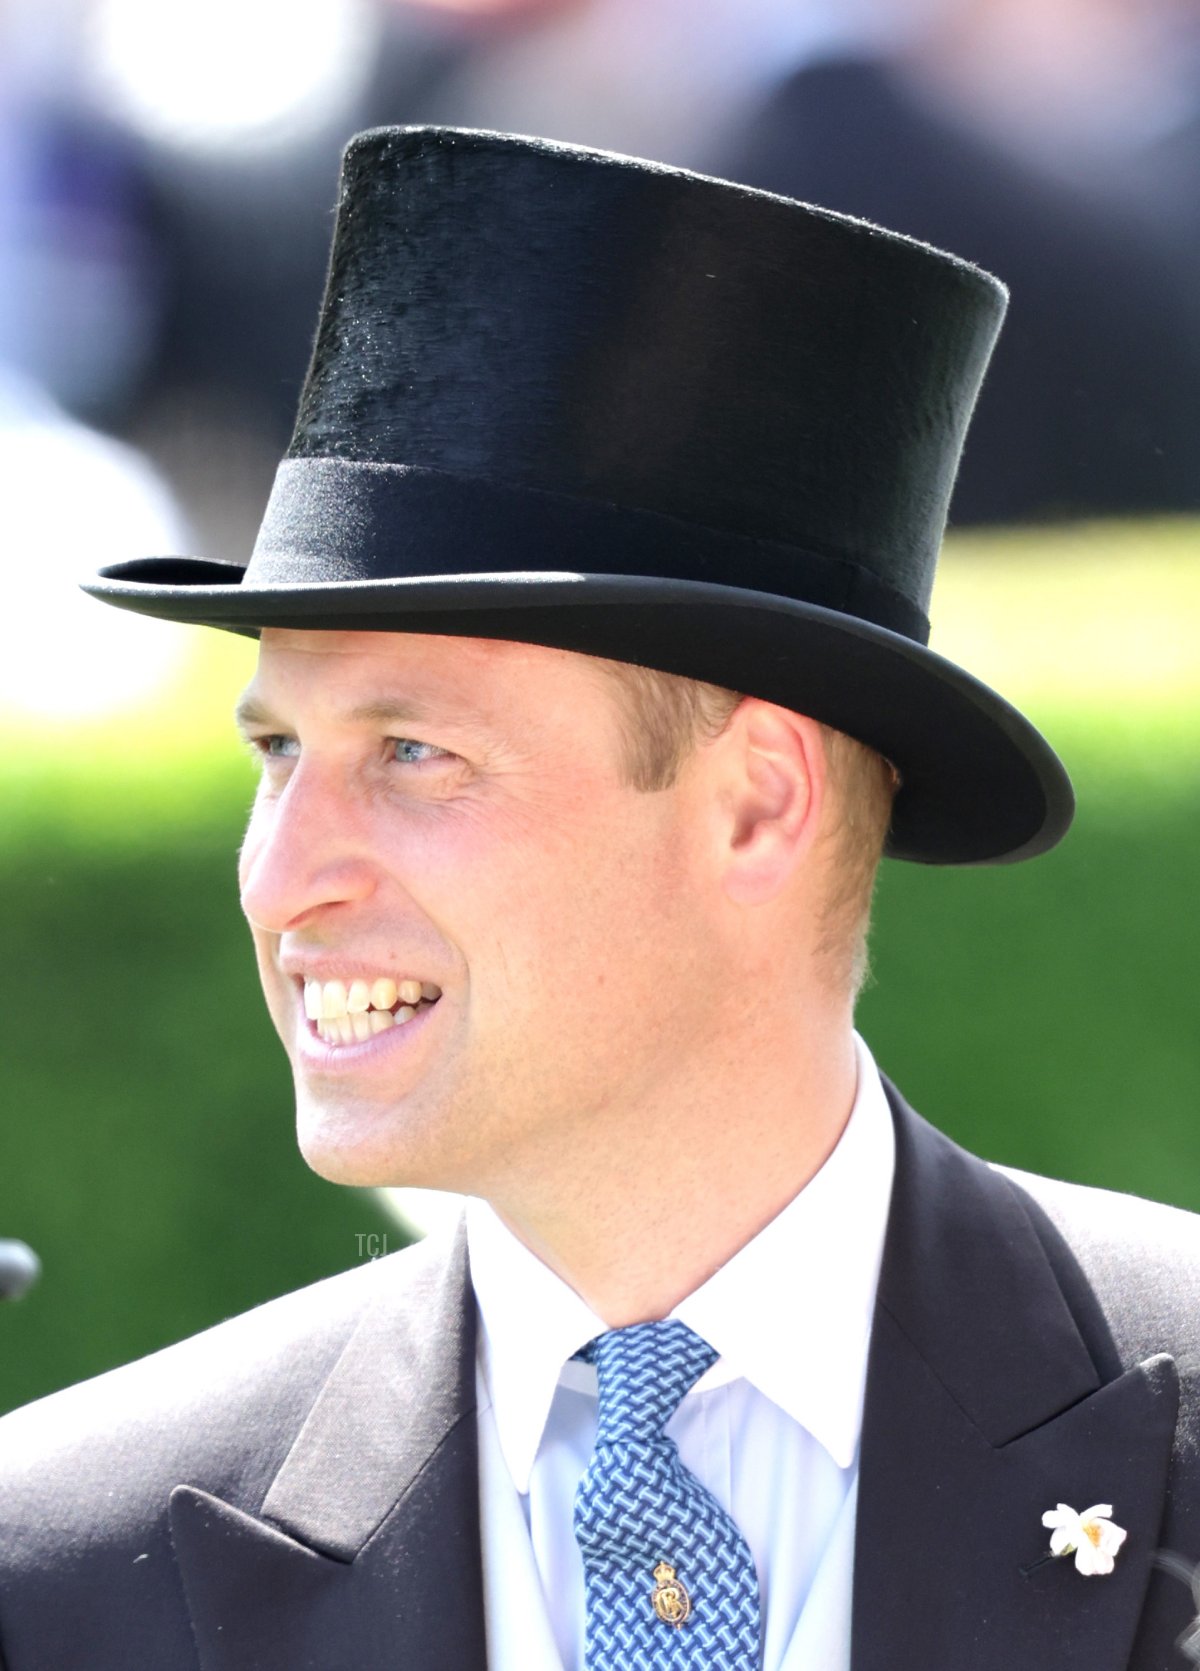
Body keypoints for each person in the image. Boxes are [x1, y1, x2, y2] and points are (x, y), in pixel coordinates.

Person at [1, 126, 1198, 1671]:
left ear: (759, 800)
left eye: (416, 753)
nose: (285, 876)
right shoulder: (70, 1565)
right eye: (277, 751)